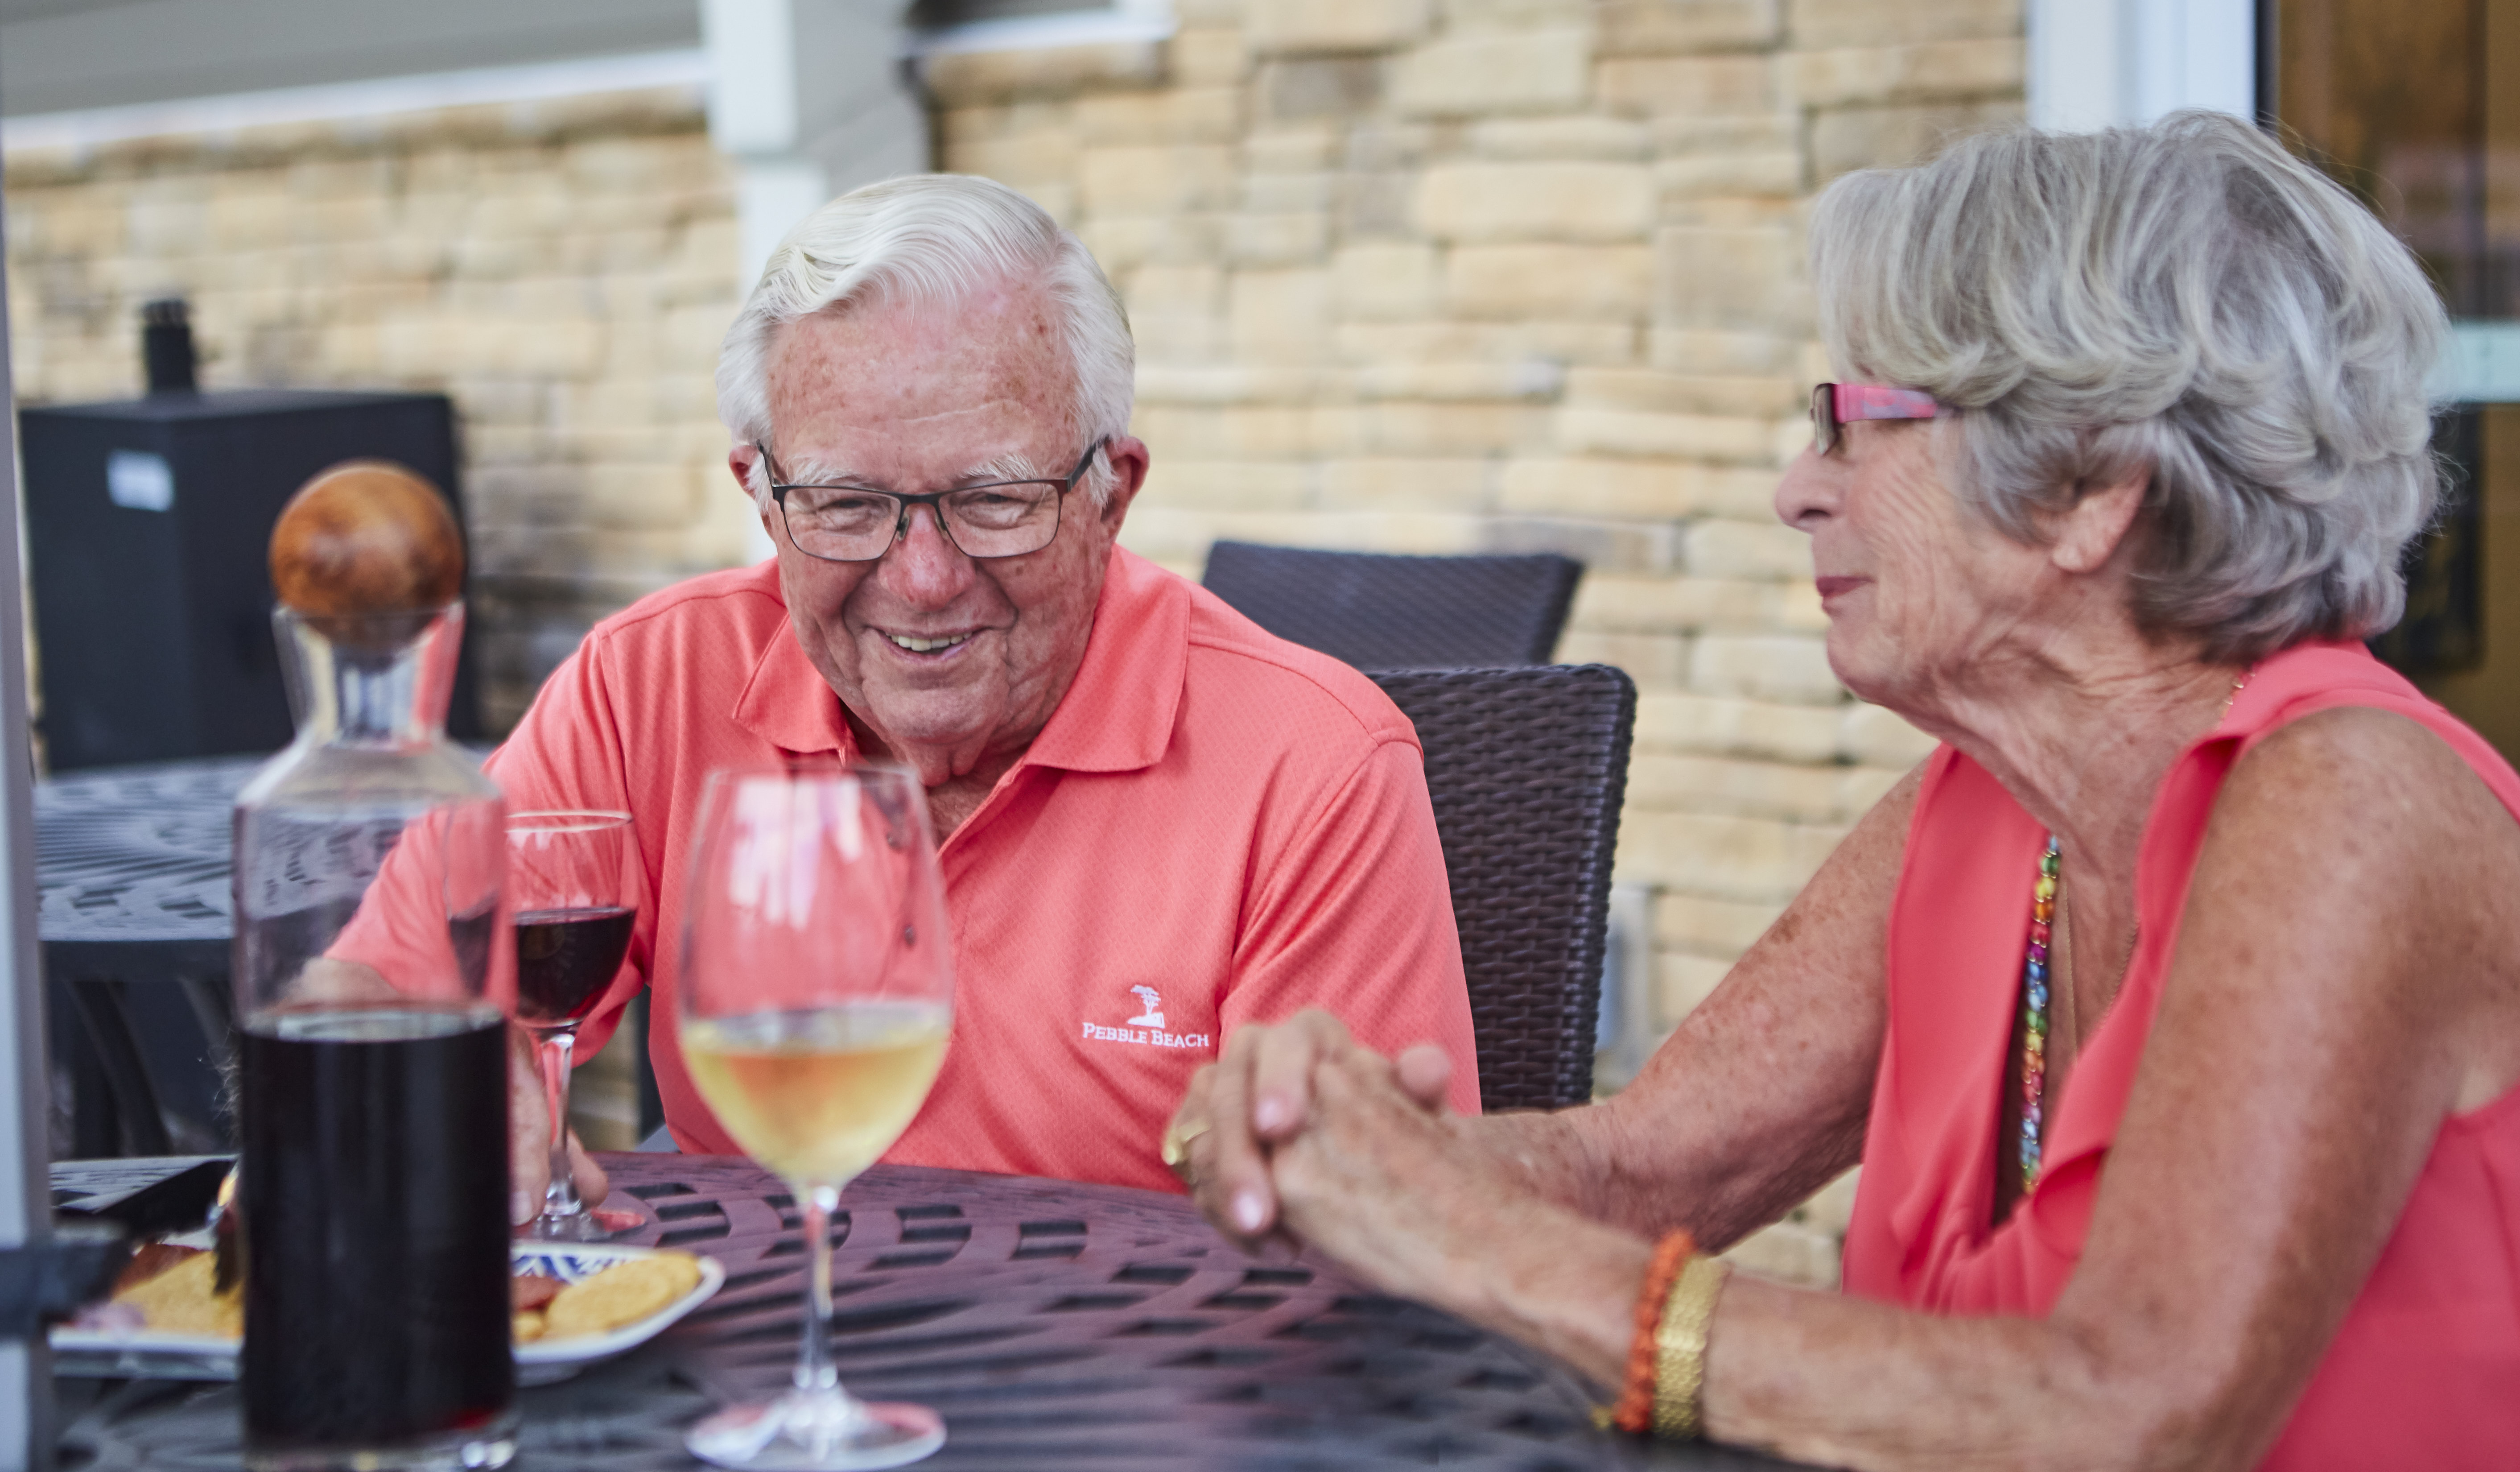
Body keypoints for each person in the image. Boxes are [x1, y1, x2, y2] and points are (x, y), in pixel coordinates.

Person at [1165, 113, 2520, 1470]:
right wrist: (1340, 1152)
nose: (1794, 491)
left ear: (2091, 487)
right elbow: (1640, 1171)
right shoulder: (1987, 808)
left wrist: (1493, 1253)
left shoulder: (2351, 801)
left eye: (1851, 421)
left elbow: (2129, 1408)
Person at [346, 174, 1479, 1219]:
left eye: (993, 499)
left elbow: (1382, 1236)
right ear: (762, 495)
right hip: (749, 1397)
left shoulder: (1314, 766)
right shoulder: (651, 684)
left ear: (1111, 494)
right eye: (843, 503)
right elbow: (365, 999)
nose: (923, 580)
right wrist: (395, 1076)